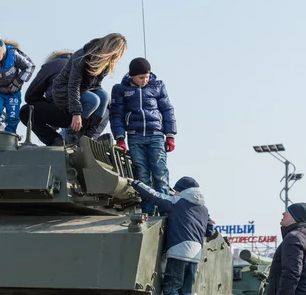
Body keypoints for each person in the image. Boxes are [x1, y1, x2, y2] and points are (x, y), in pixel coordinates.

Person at [110, 57, 176, 216]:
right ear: (132, 75)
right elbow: (116, 115)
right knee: (142, 175)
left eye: (146, 76)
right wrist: (120, 138)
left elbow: (167, 110)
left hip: (156, 135)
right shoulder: (121, 89)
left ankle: (165, 211)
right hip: (135, 137)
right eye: (141, 77)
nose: (144, 80)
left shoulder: (157, 86)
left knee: (160, 172)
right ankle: (148, 212)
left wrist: (170, 134)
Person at [127, 176, 214, 295]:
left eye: (176, 190)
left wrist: (135, 183)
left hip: (179, 252)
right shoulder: (204, 209)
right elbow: (210, 232)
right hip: (195, 255)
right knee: (186, 292)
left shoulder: (176, 202)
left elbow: (154, 196)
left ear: (183, 190)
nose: (175, 193)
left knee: (171, 289)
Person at [51, 33, 126, 139]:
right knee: (93, 100)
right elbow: (73, 85)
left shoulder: (106, 61)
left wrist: (108, 106)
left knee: (104, 96)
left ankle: (89, 136)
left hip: (84, 89)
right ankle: (70, 132)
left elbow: (96, 85)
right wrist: (76, 113)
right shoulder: (82, 56)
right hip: (63, 91)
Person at [19, 50, 74, 145]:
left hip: (65, 112)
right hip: (89, 115)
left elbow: (30, 96)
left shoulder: (51, 65)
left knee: (26, 112)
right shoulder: (81, 65)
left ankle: (55, 141)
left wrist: (47, 103)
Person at [267, 202, 306, 295]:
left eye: (288, 211)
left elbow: (291, 273)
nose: (283, 213)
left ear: (295, 217)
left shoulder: (293, 238)